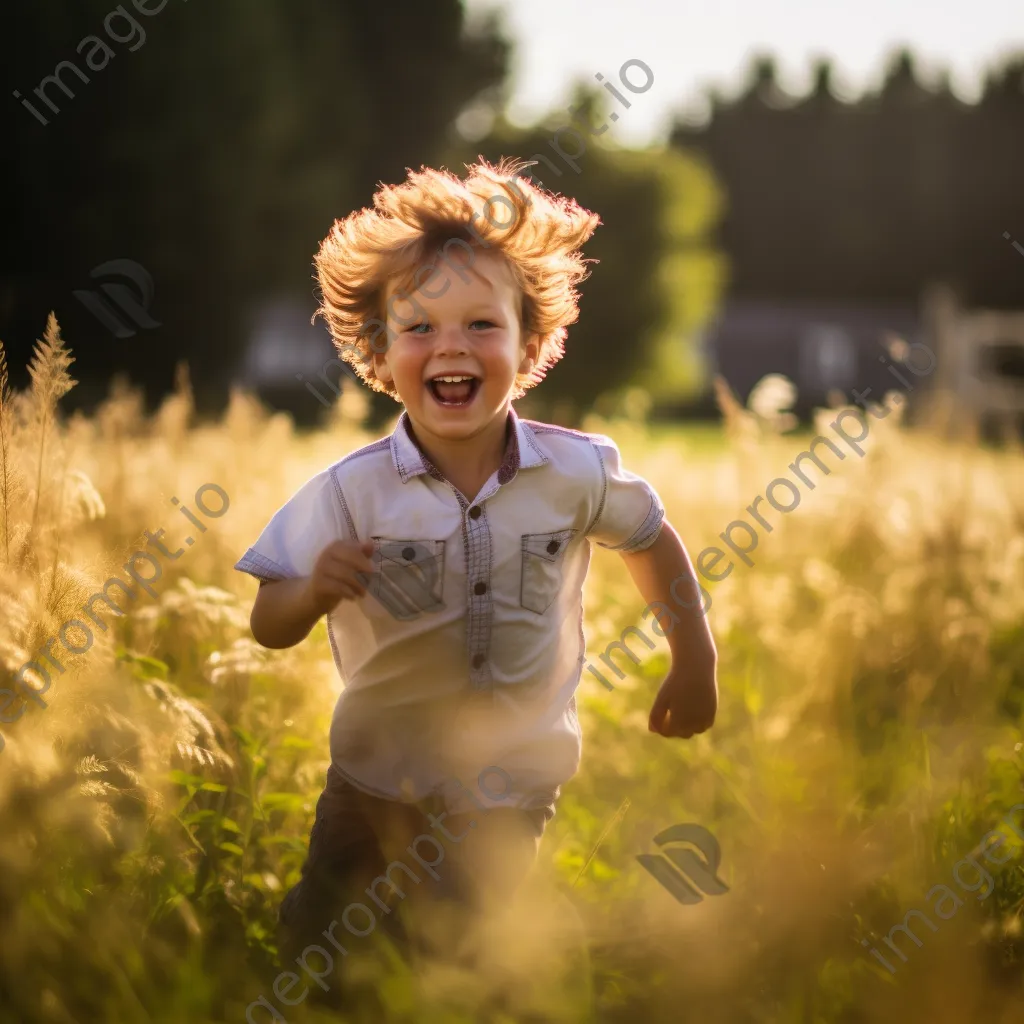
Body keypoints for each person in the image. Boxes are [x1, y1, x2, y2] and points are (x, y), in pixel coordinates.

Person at [235, 157, 718, 1002]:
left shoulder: (575, 473)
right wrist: (311, 590)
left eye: (480, 325)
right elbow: (268, 621)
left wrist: (694, 657)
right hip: (374, 778)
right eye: (418, 328)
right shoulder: (352, 492)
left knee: (458, 941)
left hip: (510, 779)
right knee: (322, 943)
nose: (450, 345)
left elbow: (651, 540)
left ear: (530, 347)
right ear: (378, 354)